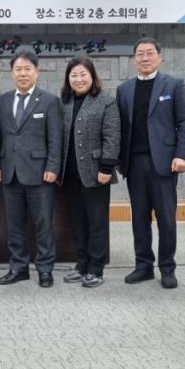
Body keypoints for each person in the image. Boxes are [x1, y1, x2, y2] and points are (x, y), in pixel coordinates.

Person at [116, 37, 185, 289]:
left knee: (166, 219)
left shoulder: (173, 85)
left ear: (160, 57)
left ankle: (167, 268)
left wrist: (182, 154)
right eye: (140, 54)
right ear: (134, 59)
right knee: (139, 219)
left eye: (150, 53)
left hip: (164, 163)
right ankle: (143, 266)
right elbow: (120, 127)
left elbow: (184, 122)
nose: (145, 58)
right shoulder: (124, 89)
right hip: (134, 164)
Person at [0, 50, 62, 288]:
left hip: (40, 172)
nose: (23, 73)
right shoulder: (3, 100)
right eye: (18, 69)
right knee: (14, 224)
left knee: (43, 224)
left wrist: (53, 166)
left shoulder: (49, 101)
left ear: (36, 72)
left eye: (27, 69)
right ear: (12, 73)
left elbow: (55, 139)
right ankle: (18, 267)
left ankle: (45, 269)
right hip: (9, 172)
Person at [59, 56, 120, 288]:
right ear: (68, 79)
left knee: (97, 222)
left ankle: (96, 269)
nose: (78, 79)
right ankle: (81, 264)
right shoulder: (64, 102)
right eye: (73, 75)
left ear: (92, 76)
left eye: (83, 74)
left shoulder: (106, 102)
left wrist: (107, 167)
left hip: (96, 172)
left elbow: (112, 136)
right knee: (77, 222)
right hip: (70, 173)